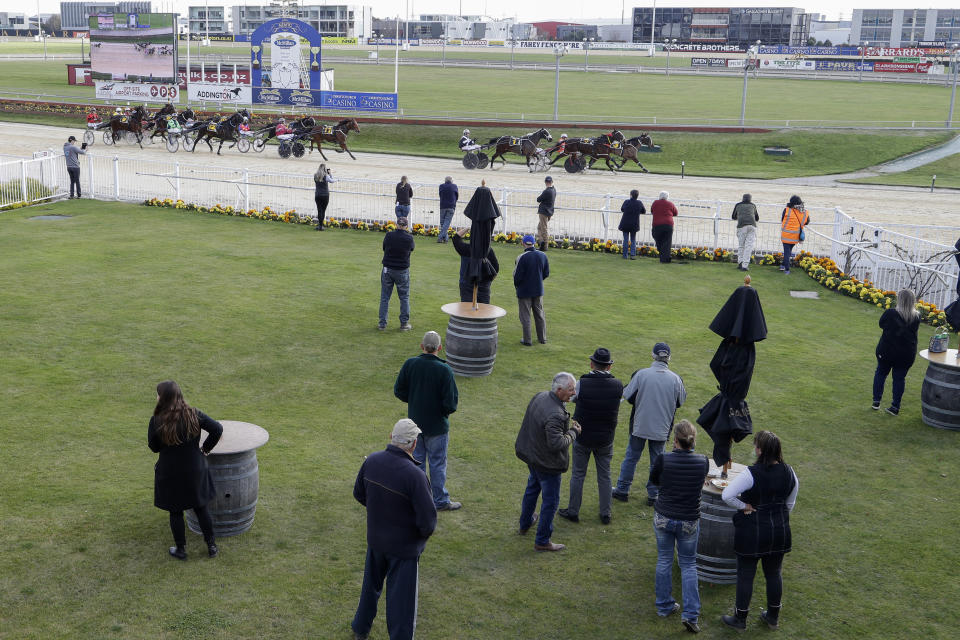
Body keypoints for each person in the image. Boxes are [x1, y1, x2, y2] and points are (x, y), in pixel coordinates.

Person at [351, 419, 437, 640]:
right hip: (404, 549)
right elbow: (428, 523)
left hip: (376, 540)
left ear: (391, 437)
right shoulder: (415, 476)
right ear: (413, 444)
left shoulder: (372, 461)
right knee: (402, 602)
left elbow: (359, 494)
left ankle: (361, 628)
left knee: (370, 586)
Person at [721, 431, 799, 631]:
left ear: (761, 451)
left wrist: (744, 506)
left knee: (746, 575)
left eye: (756, 446)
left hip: (753, 532)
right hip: (779, 530)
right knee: (774, 573)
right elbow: (789, 503)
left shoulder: (751, 473)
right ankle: (773, 617)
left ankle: (740, 619)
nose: (754, 449)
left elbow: (727, 495)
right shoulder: (790, 472)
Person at [147, 380, 223, 560]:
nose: (156, 397)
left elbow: (154, 447)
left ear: (163, 397)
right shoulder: (193, 414)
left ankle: (181, 549)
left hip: (170, 472)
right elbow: (217, 429)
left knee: (175, 511)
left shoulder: (157, 420)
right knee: (201, 508)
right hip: (195, 469)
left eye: (158, 394)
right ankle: (211, 546)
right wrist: (204, 449)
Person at [648, 419, 709, 633]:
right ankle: (691, 614)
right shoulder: (703, 461)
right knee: (688, 564)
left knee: (664, 559)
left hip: (664, 517)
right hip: (689, 520)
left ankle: (664, 606)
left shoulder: (664, 459)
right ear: (693, 441)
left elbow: (654, 480)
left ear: (675, 440)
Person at [515, 372, 583, 552]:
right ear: (559, 390)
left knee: (532, 488)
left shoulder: (540, 396)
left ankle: (525, 523)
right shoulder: (556, 414)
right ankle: (542, 540)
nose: (574, 393)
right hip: (547, 463)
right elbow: (557, 444)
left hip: (532, 457)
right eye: (570, 389)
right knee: (550, 501)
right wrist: (573, 432)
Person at [394, 331, 461, 511]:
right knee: (437, 463)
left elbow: (398, 390)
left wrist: (415, 400)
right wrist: (442, 412)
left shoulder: (411, 364)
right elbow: (451, 403)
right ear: (439, 348)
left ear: (422, 346)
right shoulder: (444, 370)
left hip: (414, 425)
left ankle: (419, 499)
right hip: (437, 426)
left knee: (417, 464)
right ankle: (440, 500)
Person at [613, 342, 687, 505]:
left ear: (653, 355)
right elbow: (680, 401)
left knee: (631, 457)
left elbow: (627, 394)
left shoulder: (641, 374)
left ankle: (622, 490)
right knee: (657, 461)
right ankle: (653, 495)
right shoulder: (676, 379)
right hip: (662, 427)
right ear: (669, 358)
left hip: (640, 424)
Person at [558, 348, 622, 525]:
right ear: (609, 366)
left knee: (578, 474)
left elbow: (571, 399)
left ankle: (573, 511)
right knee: (605, 475)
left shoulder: (582, 383)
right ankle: (605, 513)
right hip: (605, 439)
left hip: (583, 436)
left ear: (592, 364)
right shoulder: (617, 385)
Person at [872, 288, 921, 416]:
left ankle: (876, 401)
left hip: (887, 351)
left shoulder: (890, 313)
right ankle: (895, 407)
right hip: (906, 353)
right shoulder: (916, 316)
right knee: (899, 379)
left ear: (899, 299)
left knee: (881, 373)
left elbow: (881, 324)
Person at [379, 217, 415, 331]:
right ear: (406, 226)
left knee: (385, 297)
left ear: (396, 225)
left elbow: (384, 248)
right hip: (401, 270)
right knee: (404, 297)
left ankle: (382, 324)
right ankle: (404, 324)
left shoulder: (389, 235)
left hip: (388, 269)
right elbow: (411, 249)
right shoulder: (409, 238)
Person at [513, 234, 549, 346]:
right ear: (534, 243)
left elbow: (517, 277)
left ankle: (527, 339)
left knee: (525, 315)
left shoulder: (521, 257)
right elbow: (546, 273)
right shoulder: (543, 255)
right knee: (539, 314)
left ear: (523, 243)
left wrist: (518, 286)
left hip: (524, 291)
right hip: (538, 289)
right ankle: (542, 338)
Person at [452, 228, 499, 304]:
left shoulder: (465, 248)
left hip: (466, 284)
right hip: (483, 284)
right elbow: (495, 270)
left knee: (467, 311)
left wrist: (467, 228)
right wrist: (487, 282)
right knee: (484, 311)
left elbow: (456, 238)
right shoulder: (488, 251)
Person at [779, 195, 809, 275]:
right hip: (796, 236)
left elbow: (782, 220)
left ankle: (787, 269)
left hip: (786, 235)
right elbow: (807, 222)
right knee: (788, 252)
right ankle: (782, 265)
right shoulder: (805, 212)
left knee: (787, 252)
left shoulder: (787, 210)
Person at [732, 193, 759, 271]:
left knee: (741, 246)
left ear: (742, 199)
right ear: (750, 199)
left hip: (741, 226)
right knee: (748, 246)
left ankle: (740, 263)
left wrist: (741, 216)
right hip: (752, 226)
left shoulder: (738, 205)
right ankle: (745, 265)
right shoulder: (753, 205)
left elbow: (733, 217)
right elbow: (757, 218)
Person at [651, 191, 678, 263]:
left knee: (658, 240)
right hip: (668, 225)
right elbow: (675, 213)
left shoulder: (655, 203)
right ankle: (665, 258)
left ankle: (664, 258)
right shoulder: (670, 204)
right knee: (667, 242)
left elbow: (652, 211)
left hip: (657, 225)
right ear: (667, 197)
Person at [619, 189, 646, 260]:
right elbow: (643, 211)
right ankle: (632, 255)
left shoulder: (627, 202)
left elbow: (622, 209)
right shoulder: (639, 203)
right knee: (633, 239)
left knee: (625, 239)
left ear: (631, 195)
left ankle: (625, 255)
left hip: (625, 223)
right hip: (634, 224)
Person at [535, 175, 556, 251]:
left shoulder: (547, 191)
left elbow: (538, 199)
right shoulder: (553, 190)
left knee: (543, 228)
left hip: (544, 212)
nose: (547, 183)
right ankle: (542, 243)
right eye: (547, 182)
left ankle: (544, 245)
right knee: (540, 227)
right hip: (549, 211)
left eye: (548, 182)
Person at [313, 163, 335, 231]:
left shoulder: (315, 175)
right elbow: (332, 181)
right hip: (325, 195)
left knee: (319, 210)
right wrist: (330, 174)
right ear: (325, 169)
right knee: (323, 210)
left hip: (318, 195)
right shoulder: (326, 176)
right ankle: (321, 226)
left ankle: (319, 225)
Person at [437, 176, 459, 243]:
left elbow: (440, 195)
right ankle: (445, 238)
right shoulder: (454, 186)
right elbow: (457, 196)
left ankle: (440, 238)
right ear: (451, 181)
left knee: (443, 223)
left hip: (443, 205)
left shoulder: (441, 186)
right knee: (445, 223)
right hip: (451, 206)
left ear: (445, 180)